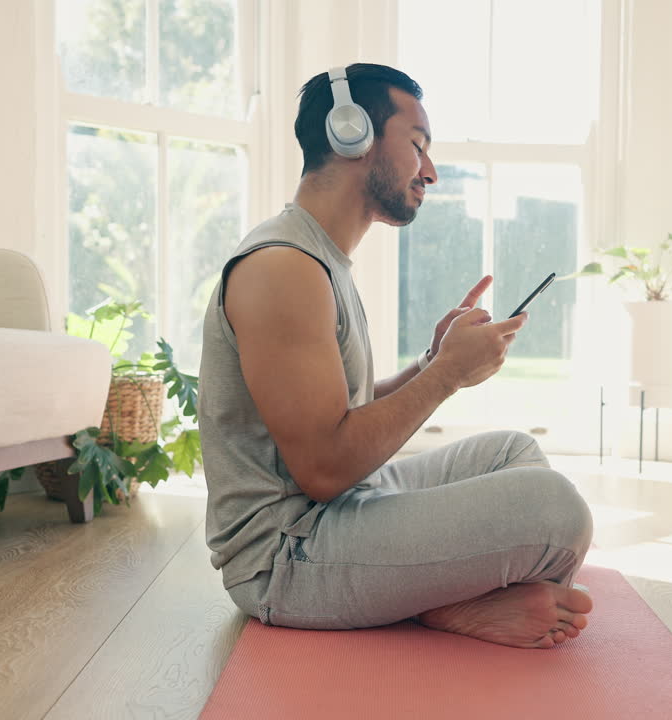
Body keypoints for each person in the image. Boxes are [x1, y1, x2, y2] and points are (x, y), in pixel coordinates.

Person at [198, 63, 594, 649]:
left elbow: (337, 416)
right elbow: (326, 468)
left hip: (339, 510)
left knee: (514, 449)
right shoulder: (282, 268)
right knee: (557, 511)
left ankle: (433, 594)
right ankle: (440, 607)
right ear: (350, 133)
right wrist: (447, 377)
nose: (430, 172)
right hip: (287, 555)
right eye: (417, 147)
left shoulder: (319, 258)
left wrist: (433, 364)